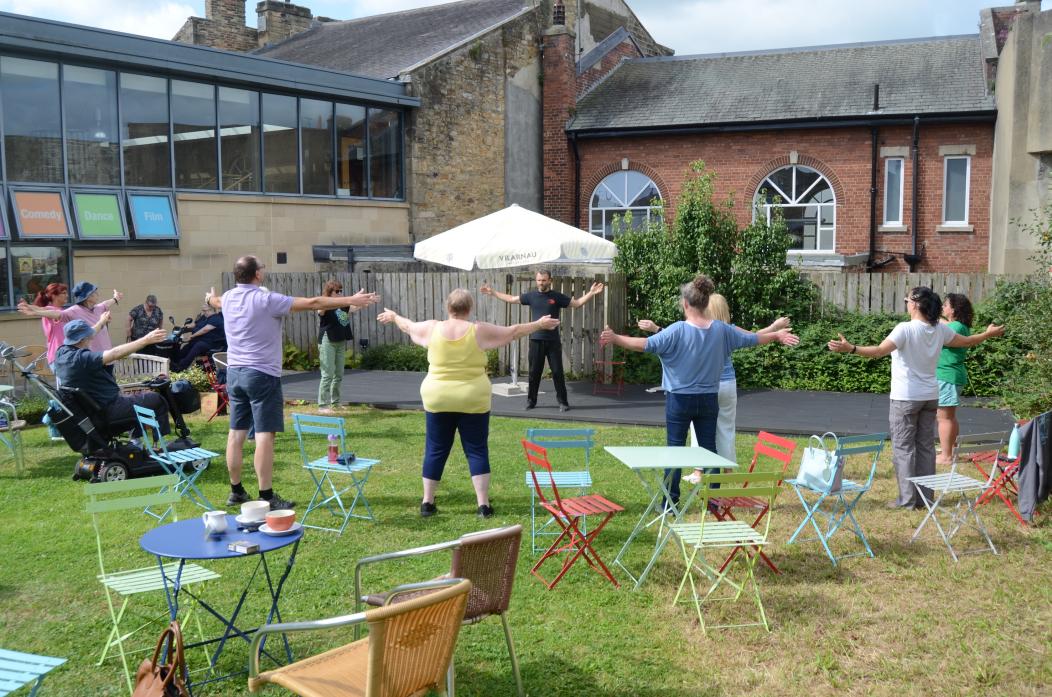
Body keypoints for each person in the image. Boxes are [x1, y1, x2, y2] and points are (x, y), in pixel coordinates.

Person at [600, 275, 798, 507]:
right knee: (709, 451)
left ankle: (669, 504)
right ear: (706, 303)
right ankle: (713, 501)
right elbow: (752, 339)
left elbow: (644, 345)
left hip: (679, 401)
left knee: (675, 450)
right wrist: (775, 334)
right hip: (708, 400)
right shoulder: (722, 330)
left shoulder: (676, 330)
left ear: (686, 304)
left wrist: (614, 338)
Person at [205, 255, 380, 511]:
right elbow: (313, 302)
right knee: (265, 435)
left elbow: (215, 300)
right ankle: (266, 496)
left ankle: (236, 491)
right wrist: (350, 300)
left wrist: (208, 299)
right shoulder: (266, 299)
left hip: (235, 374)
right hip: (261, 375)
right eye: (262, 267)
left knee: (236, 433)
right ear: (257, 275)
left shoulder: (229, 298)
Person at [378, 289, 560, 518]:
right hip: (473, 398)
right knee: (476, 450)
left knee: (435, 448)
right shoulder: (478, 330)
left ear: (448, 307)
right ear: (470, 308)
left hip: (438, 397)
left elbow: (408, 326)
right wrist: (540, 323)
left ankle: (427, 502)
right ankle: (483, 505)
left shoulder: (432, 328)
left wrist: (394, 316)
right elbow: (513, 332)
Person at [828, 286, 1004, 509]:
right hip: (930, 396)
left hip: (906, 398)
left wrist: (851, 349)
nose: (906, 303)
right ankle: (925, 498)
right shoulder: (939, 329)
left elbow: (879, 351)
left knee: (903, 448)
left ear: (916, 304)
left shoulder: (905, 329)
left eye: (907, 300)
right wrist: (987, 334)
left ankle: (908, 500)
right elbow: (966, 342)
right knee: (925, 447)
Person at [638, 293, 791, 483]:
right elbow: (755, 337)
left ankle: (699, 470)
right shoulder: (727, 329)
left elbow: (674, 340)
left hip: (707, 385)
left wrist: (655, 329)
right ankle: (726, 470)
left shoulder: (700, 328)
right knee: (726, 428)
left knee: (698, 428)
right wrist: (775, 330)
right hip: (728, 384)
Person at [480, 270, 604, 412]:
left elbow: (576, 303)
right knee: (534, 373)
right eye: (539, 280)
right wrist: (493, 292)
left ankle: (563, 403)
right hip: (536, 340)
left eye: (544, 280)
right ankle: (531, 402)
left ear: (550, 280)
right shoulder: (531, 296)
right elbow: (512, 299)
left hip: (553, 341)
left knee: (557, 372)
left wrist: (591, 293)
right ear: (536, 280)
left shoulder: (556, 297)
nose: (541, 283)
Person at [52, 319, 171, 439]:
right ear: (82, 339)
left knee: (137, 399)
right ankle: (159, 446)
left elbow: (90, 332)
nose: (91, 339)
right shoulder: (82, 358)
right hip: (109, 410)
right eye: (88, 337)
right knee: (157, 400)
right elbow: (114, 353)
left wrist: (101, 321)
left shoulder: (61, 353)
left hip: (96, 412)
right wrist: (146, 340)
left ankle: (136, 443)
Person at [18, 281, 123, 372]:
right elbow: (50, 312)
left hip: (107, 358)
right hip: (83, 359)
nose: (98, 294)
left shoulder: (98, 308)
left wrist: (116, 298)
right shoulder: (72, 311)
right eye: (95, 293)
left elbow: (106, 303)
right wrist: (33, 310)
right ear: (88, 297)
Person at [936, 293, 975, 466]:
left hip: (947, 376)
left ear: (954, 310)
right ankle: (950, 449)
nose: (943, 308)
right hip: (950, 376)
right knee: (949, 417)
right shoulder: (958, 325)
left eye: (945, 305)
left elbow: (942, 329)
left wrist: (930, 315)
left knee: (944, 417)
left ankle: (946, 456)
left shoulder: (957, 327)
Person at [317, 280, 358, 413]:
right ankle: (323, 405)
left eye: (341, 291)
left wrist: (366, 299)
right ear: (330, 292)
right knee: (327, 374)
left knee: (339, 374)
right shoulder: (324, 305)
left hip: (340, 341)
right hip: (327, 340)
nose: (340, 293)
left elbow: (355, 306)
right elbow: (320, 310)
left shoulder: (343, 305)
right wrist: (329, 300)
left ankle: (335, 402)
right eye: (337, 291)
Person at [171, 306, 225, 372]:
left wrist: (192, 336)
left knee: (198, 346)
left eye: (205, 310)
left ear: (211, 310)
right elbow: (195, 324)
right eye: (203, 310)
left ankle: (181, 367)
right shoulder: (204, 317)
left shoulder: (216, 318)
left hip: (211, 342)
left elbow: (205, 330)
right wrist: (185, 327)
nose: (203, 312)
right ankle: (175, 362)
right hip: (199, 340)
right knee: (187, 346)